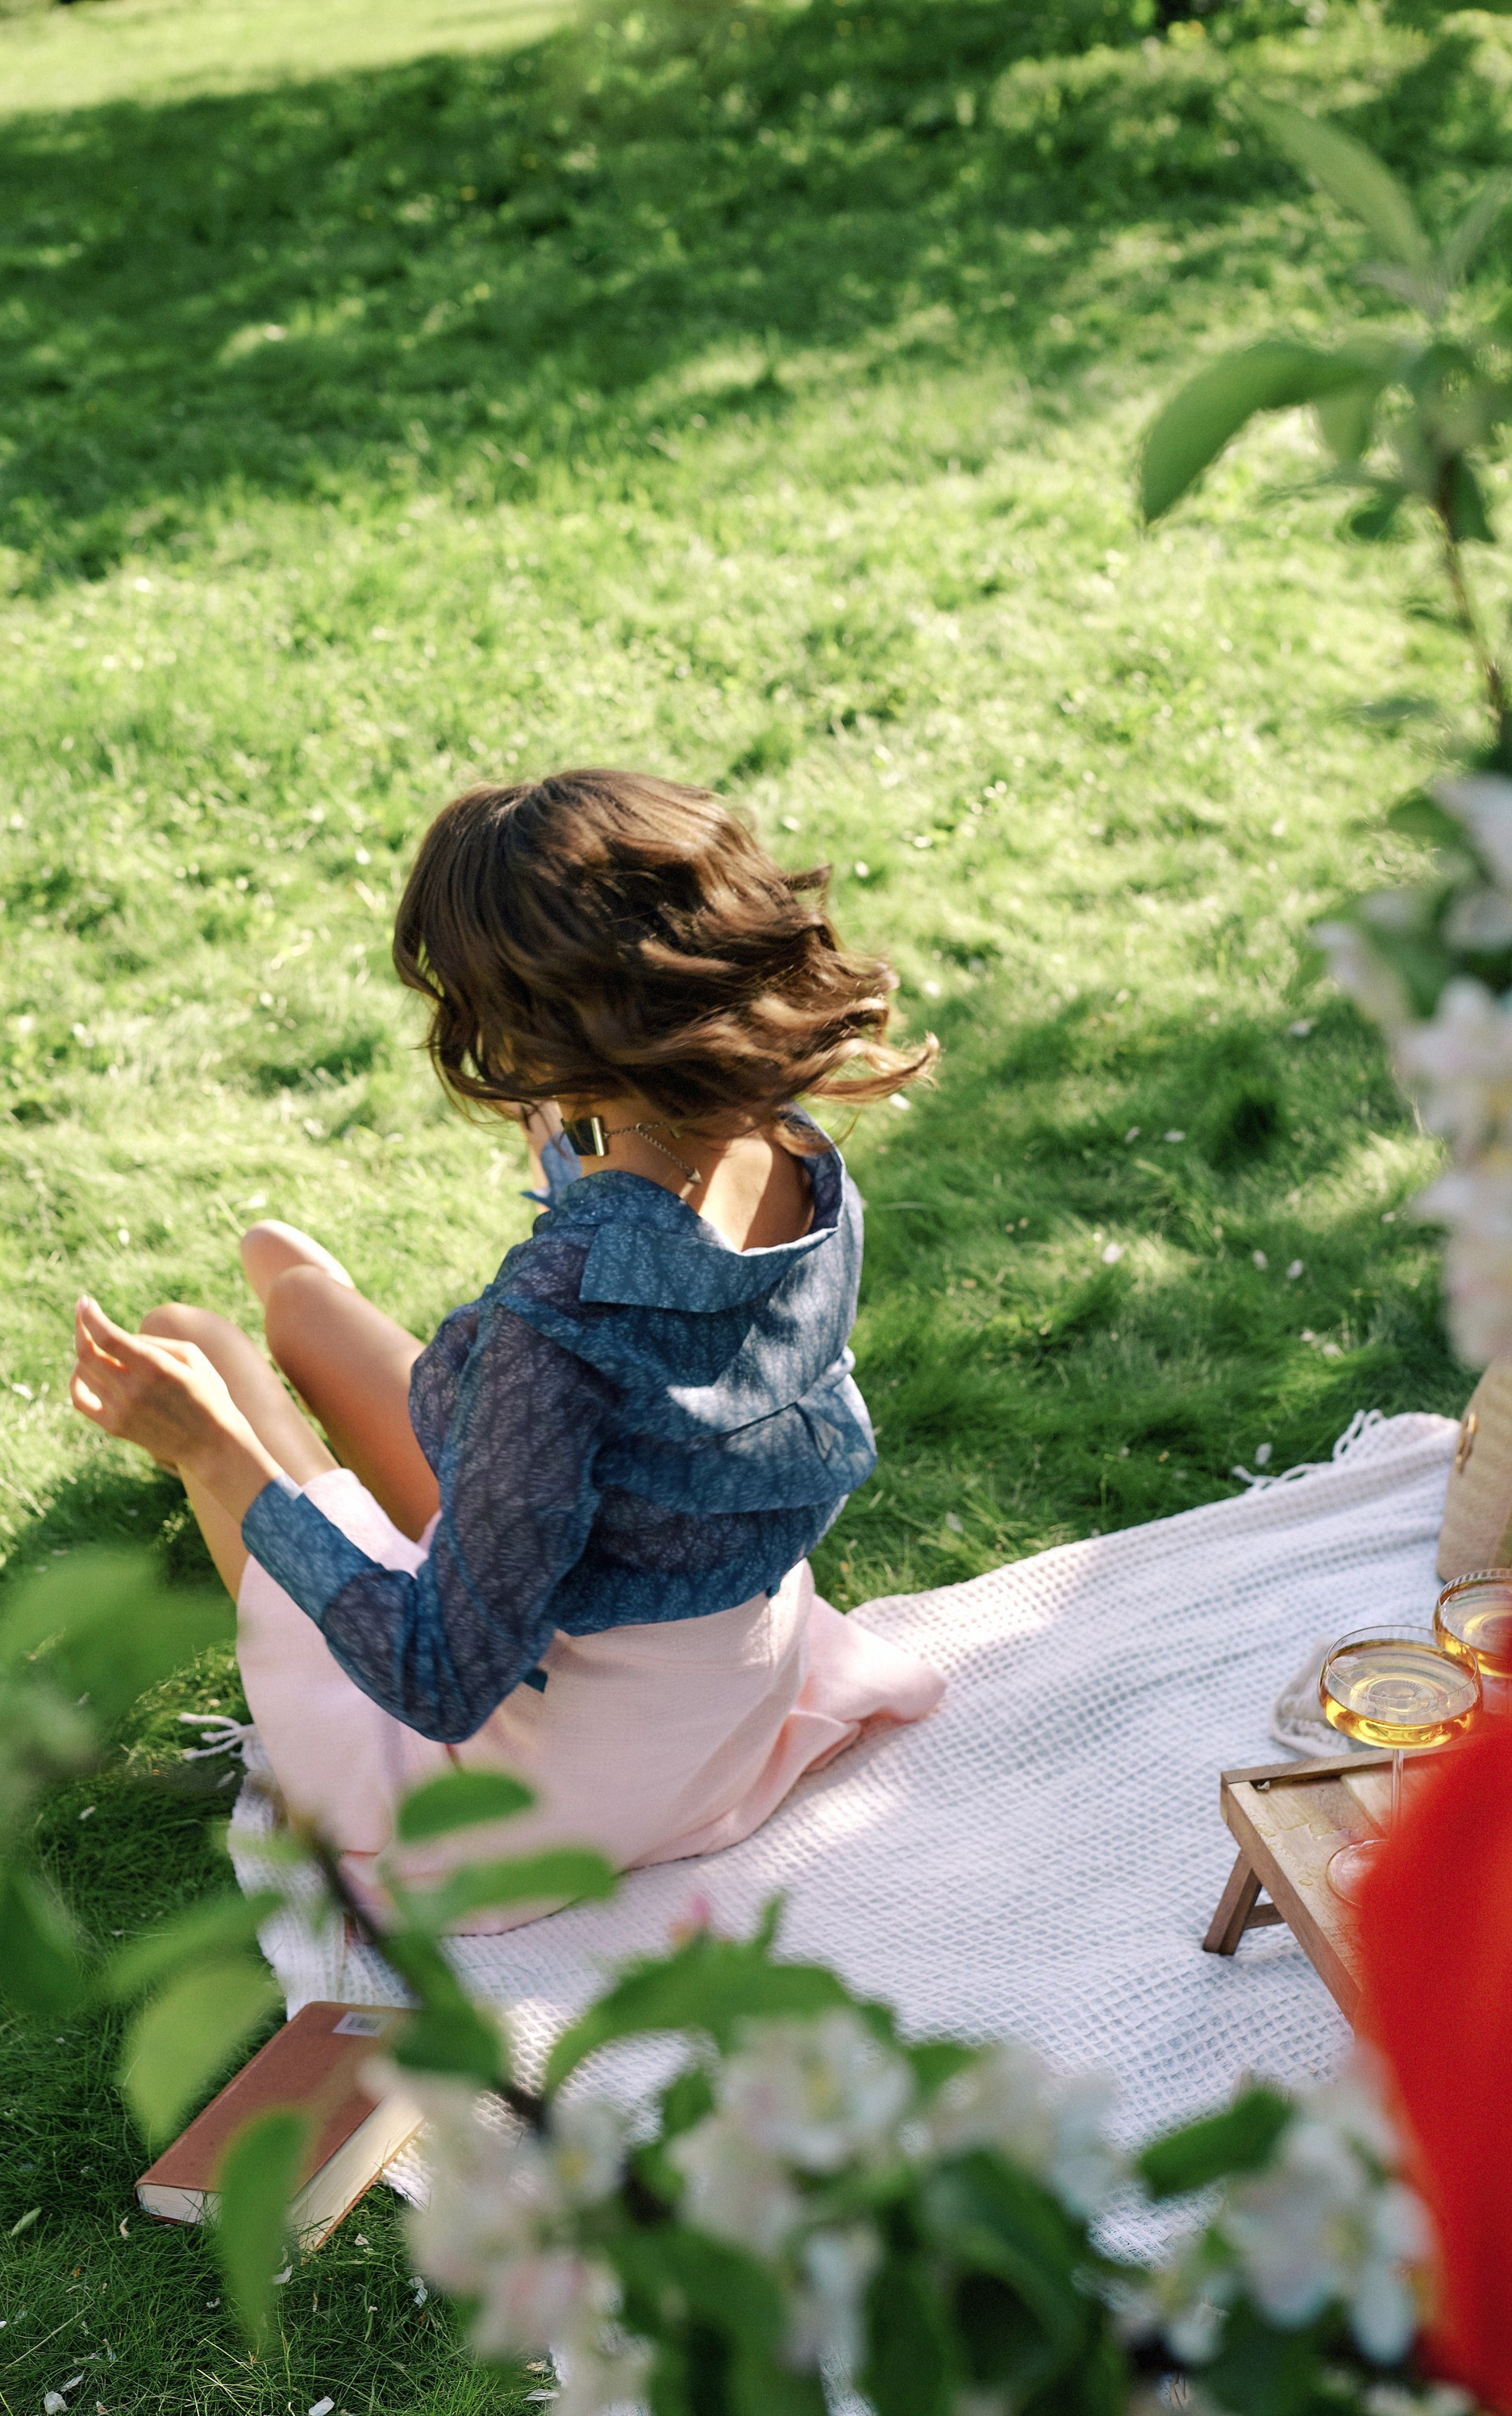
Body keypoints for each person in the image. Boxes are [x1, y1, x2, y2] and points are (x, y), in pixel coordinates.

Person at [69, 769, 946, 1927]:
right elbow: (656, 1264)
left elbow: (440, 1680)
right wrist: (580, 1130)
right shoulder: (796, 1152)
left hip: (555, 1791)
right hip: (730, 1698)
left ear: (534, 1032)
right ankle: (293, 1309)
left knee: (197, 1348)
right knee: (302, 1304)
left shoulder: (556, 1315)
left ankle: (238, 1382)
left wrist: (216, 1451)